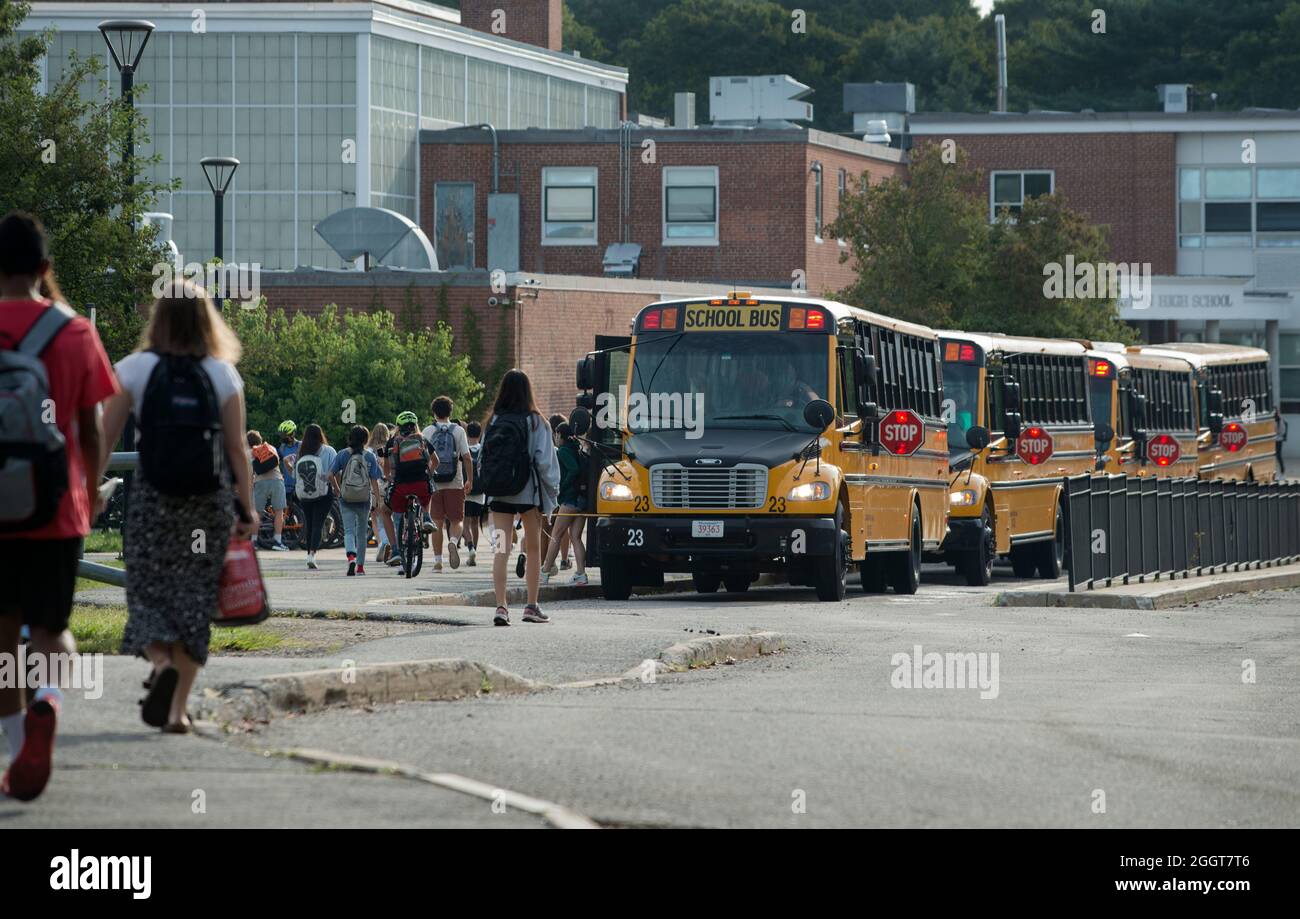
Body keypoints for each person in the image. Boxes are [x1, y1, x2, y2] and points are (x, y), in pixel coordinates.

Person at [101, 279, 258, 735]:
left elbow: (105, 437)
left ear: (159, 318)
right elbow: (236, 450)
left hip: (153, 498)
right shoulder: (222, 373)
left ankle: (160, 661)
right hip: (206, 503)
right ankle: (178, 712)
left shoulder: (134, 369)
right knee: (194, 600)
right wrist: (245, 508)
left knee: (146, 591)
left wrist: (88, 486)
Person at [0, 211, 119, 800]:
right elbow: (93, 432)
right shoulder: (73, 332)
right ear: (45, 270)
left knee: (1, 635)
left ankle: (17, 744)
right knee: (52, 630)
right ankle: (48, 700)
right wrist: (90, 494)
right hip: (56, 509)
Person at [480, 369, 559, 625]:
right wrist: (552, 493)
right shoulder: (537, 422)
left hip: (499, 494)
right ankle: (531, 606)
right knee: (533, 549)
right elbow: (546, 463)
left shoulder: (492, 421)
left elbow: (483, 458)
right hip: (528, 494)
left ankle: (501, 607)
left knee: (501, 549)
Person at [422, 395, 472, 572]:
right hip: (455, 481)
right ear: (451, 412)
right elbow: (466, 457)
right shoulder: (458, 431)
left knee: (436, 521)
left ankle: (437, 560)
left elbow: (423, 457)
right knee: (457, 520)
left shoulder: (427, 431)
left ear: (434, 412)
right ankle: (453, 541)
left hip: (434, 481)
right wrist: (469, 480)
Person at [331, 424, 385, 576]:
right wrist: (377, 499)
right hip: (364, 498)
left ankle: (351, 557)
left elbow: (330, 474)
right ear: (365, 439)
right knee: (361, 533)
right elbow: (374, 480)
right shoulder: (369, 456)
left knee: (349, 531)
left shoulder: (342, 454)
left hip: (346, 497)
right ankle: (360, 567)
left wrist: (338, 489)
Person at [384, 410, 434, 573]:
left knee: (395, 514)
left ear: (398, 426)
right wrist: (429, 473)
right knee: (427, 493)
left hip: (400, 486)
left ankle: (397, 551)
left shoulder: (392, 442)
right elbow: (436, 461)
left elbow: (386, 470)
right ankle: (426, 517)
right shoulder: (422, 439)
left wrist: (390, 478)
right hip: (420, 484)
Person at [541, 422, 588, 586]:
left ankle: (545, 571)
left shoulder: (563, 451)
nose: (555, 438)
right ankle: (581, 573)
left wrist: (562, 488)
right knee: (575, 537)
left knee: (556, 535)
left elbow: (573, 470)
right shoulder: (577, 447)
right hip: (583, 500)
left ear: (560, 434)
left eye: (556, 434)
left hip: (570, 499)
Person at [294, 423, 336, 570]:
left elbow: (295, 474)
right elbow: (334, 472)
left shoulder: (302, 452)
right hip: (324, 492)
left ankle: (308, 555)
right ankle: (312, 554)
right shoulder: (329, 450)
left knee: (310, 523)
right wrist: (337, 488)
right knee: (318, 523)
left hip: (305, 493)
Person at [247, 430, 289, 550]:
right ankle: (277, 541)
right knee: (279, 511)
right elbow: (278, 461)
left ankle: (253, 542)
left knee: (257, 513)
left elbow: (250, 473)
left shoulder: (250, 452)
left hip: (260, 482)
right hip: (277, 480)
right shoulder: (270, 447)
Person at [369, 422, 398, 564]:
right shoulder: (391, 446)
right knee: (389, 515)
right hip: (390, 484)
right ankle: (392, 543)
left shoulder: (369, 450)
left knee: (375, 517)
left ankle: (382, 542)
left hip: (374, 486)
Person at [463, 420, 485, 566]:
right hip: (480, 490)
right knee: (475, 523)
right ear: (479, 433)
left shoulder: (464, 450)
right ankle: (475, 550)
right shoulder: (483, 449)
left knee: (465, 522)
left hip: (465, 489)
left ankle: (470, 547)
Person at [277, 420, 300, 494]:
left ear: (293, 434)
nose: (283, 438)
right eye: (281, 436)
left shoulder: (301, 446)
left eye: (284, 435)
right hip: (286, 488)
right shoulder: (282, 448)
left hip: (299, 488)